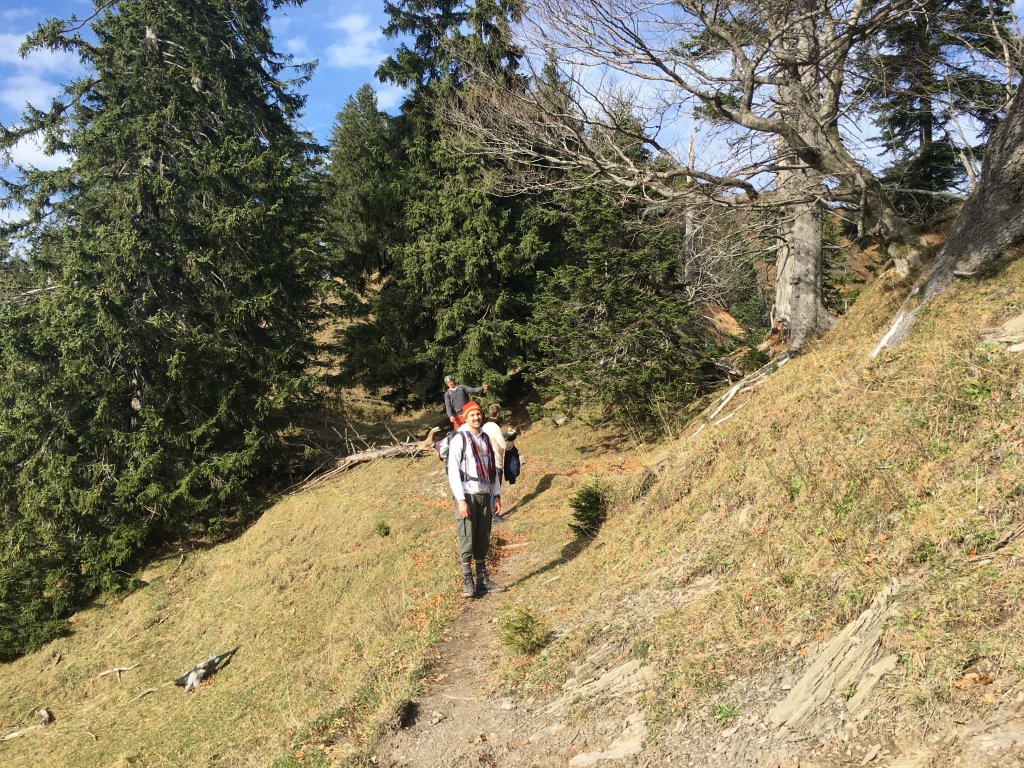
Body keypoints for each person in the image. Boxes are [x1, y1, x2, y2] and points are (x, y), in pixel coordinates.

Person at [446, 400, 505, 597]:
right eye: (472, 415)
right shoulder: (460, 439)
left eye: (478, 414)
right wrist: (461, 499)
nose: (476, 417)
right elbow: (453, 472)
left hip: (485, 494)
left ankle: (482, 579)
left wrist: (496, 495)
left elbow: (492, 470)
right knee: (467, 537)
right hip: (468, 495)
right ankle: (467, 580)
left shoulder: (486, 438)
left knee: (482, 537)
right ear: (466, 418)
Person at [481, 403, 517, 517]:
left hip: (485, 462)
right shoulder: (496, 428)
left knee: (489, 490)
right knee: (495, 490)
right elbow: (504, 446)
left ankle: (489, 515)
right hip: (496, 462)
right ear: (498, 414)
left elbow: (495, 437)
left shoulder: (485, 426)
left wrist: (506, 433)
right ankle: (494, 516)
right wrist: (511, 440)